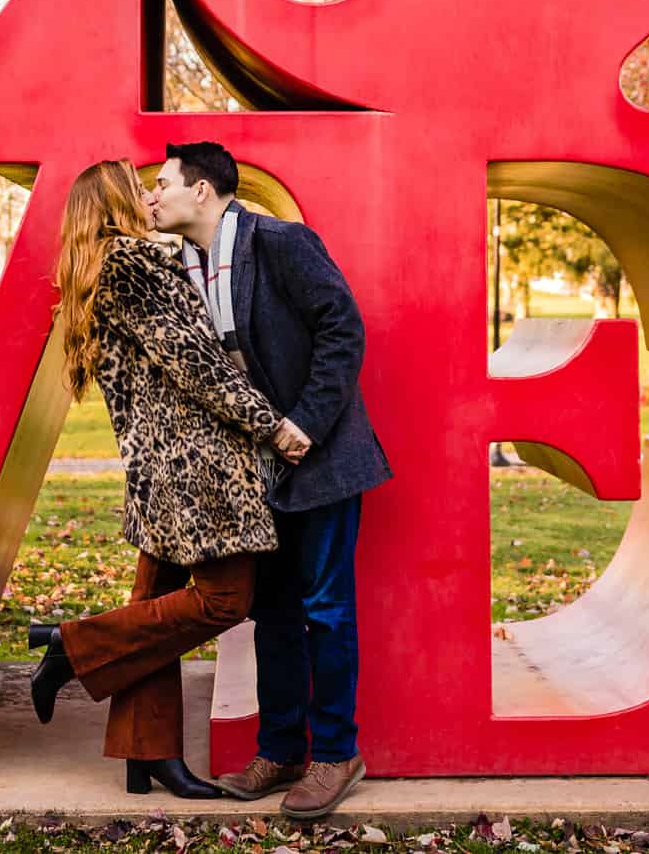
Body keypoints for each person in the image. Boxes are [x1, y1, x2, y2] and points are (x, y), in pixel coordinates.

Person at [28, 159, 312, 800]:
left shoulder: (108, 267)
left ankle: (145, 751)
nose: (153, 194)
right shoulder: (132, 263)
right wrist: (272, 426)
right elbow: (198, 367)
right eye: (143, 186)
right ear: (118, 200)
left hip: (162, 470)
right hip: (198, 470)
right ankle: (69, 648)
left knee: (153, 605)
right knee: (223, 602)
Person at [148, 141, 392, 823]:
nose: (152, 196)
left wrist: (305, 425)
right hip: (262, 474)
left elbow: (343, 328)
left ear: (202, 190)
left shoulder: (282, 242)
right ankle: (281, 748)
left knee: (326, 609)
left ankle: (336, 753)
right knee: (274, 613)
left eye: (162, 183)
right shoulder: (185, 264)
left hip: (323, 459)